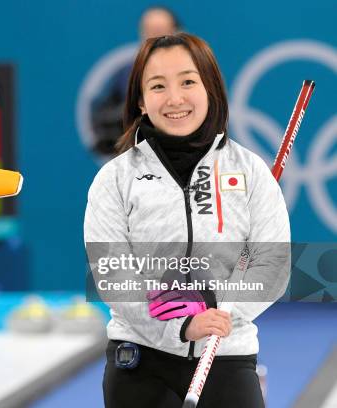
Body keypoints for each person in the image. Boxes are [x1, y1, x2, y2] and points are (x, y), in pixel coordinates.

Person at [84, 33, 290, 407]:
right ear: (141, 102)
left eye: (188, 81)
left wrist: (218, 311)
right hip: (140, 357)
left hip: (225, 354)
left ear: (210, 88)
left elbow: (272, 265)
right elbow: (113, 274)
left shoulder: (250, 171)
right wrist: (178, 324)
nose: (175, 98)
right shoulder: (114, 179)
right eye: (158, 86)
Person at [91, 6, 180, 157]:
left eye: (160, 29)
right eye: (149, 29)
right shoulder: (125, 73)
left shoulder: (196, 70)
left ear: (176, 31)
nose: (154, 36)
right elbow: (103, 115)